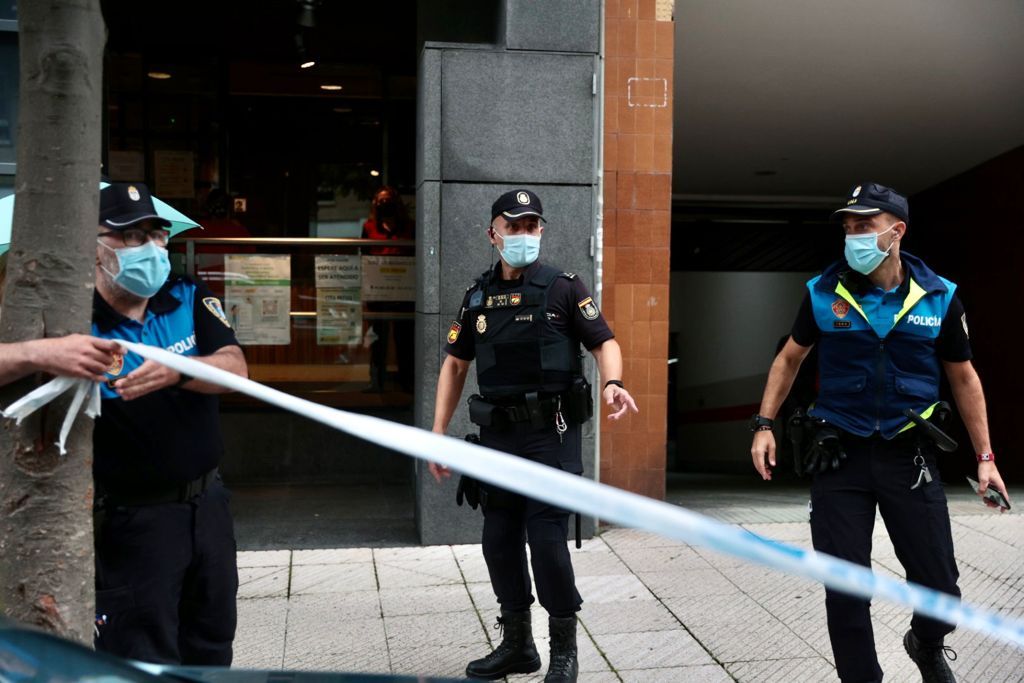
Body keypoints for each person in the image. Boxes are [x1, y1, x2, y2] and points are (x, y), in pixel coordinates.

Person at [749, 182, 1010, 683]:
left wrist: (986, 457)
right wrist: (764, 424)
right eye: (847, 227)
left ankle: (926, 641)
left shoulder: (940, 295)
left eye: (863, 226)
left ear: (897, 231)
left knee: (940, 586)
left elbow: (963, 377)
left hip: (909, 456)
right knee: (846, 586)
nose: (852, 236)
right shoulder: (823, 292)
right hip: (838, 455)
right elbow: (789, 359)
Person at [0, 182, 247, 664]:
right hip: (131, 522)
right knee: (140, 656)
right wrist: (42, 352)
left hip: (208, 508)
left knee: (213, 647)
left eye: (156, 235)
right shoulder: (69, 318)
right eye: (130, 237)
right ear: (93, 250)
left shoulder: (186, 294)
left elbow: (237, 369)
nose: (150, 249)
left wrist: (181, 372)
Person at [429, 189, 638, 683]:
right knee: (498, 541)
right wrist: (438, 431)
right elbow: (455, 365)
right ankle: (518, 644)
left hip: (552, 434)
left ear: (541, 230)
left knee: (546, 543)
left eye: (531, 226)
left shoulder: (564, 287)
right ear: (493, 233)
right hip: (498, 438)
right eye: (513, 226)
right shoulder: (477, 296)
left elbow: (604, 343)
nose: (522, 234)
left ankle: (564, 647)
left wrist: (613, 383)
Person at [361, 186, 414, 392]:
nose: (384, 204)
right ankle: (376, 382)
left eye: (388, 199)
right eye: (380, 200)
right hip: (378, 290)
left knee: (405, 339)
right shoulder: (369, 227)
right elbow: (365, 256)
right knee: (377, 339)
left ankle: (407, 382)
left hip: (404, 291)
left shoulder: (409, 227)